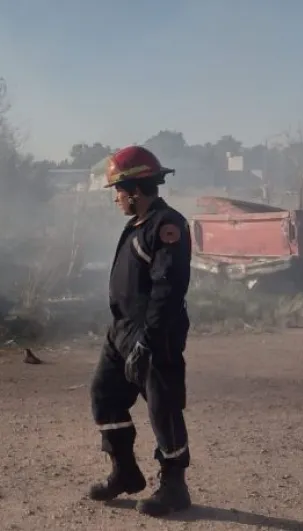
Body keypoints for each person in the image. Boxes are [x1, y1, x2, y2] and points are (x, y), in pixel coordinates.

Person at [87, 145, 193, 517]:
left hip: (153, 334)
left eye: (118, 191)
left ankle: (175, 485)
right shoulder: (137, 225)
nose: (115, 198)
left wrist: (148, 339)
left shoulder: (167, 226)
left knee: (163, 408)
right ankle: (125, 472)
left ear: (135, 189)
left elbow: (168, 288)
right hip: (120, 332)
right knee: (105, 397)